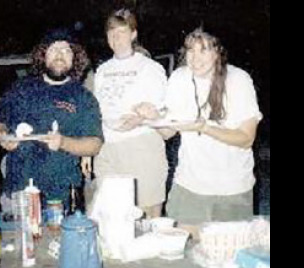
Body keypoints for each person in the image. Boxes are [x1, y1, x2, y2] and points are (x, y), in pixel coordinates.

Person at [160, 28, 262, 227]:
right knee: (183, 253)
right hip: (189, 187)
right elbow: (167, 132)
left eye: (203, 50)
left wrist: (205, 128)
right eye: (191, 50)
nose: (195, 58)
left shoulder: (239, 80)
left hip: (232, 190)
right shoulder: (179, 78)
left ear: (218, 52)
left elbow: (246, 138)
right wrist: (151, 118)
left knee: (227, 255)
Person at [0, 30, 104, 208]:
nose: (59, 55)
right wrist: (1, 135)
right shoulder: (21, 88)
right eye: (53, 49)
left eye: (66, 50)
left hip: (60, 196)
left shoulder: (83, 97)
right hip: (18, 193)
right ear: (43, 55)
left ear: (75, 58)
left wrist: (63, 142)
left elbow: (94, 144)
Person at [82, 9, 168, 218]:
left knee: (147, 216)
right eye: (111, 33)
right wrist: (87, 149)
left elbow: (163, 110)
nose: (116, 38)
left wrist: (141, 118)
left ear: (133, 34)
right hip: (107, 149)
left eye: (122, 32)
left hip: (141, 145)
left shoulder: (151, 68)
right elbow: (93, 112)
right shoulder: (102, 71)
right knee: (111, 216)